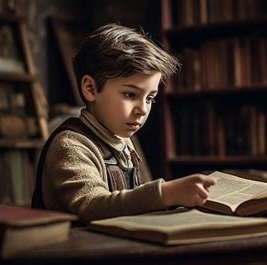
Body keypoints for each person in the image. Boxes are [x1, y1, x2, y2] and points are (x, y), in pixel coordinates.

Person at [32, 23, 215, 223]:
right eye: (130, 94)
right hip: (77, 251)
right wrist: (164, 194)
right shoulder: (70, 146)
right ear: (91, 89)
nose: (143, 109)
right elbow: (91, 206)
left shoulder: (123, 140)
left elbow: (133, 204)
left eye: (149, 98)